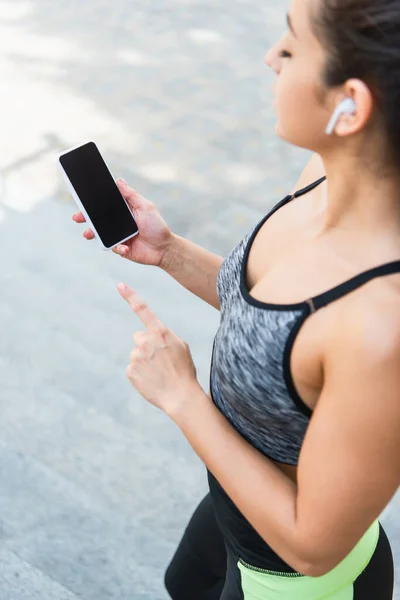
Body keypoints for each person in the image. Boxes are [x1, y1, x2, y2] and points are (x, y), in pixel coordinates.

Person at [73, 0, 399, 597]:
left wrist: (182, 398)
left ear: (351, 104)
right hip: (233, 508)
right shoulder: (323, 173)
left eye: (292, 45)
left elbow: (313, 548)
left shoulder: (382, 324)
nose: (271, 57)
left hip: (291, 579)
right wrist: (168, 250)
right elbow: (279, 331)